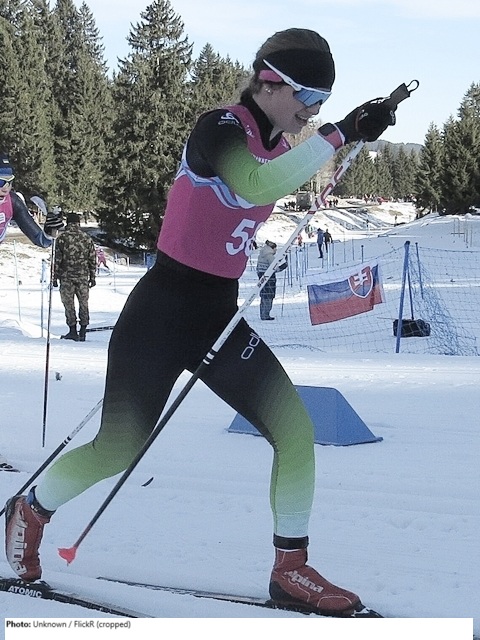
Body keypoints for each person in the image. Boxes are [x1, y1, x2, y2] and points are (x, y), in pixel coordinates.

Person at [4, 28, 396, 615]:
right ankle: (30, 511)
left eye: (324, 103)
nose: (314, 111)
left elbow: (282, 175)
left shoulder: (283, 147)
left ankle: (290, 568)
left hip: (216, 316)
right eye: (309, 97)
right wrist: (342, 133)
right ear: (269, 83)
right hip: (161, 311)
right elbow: (256, 183)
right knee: (116, 449)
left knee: (294, 429)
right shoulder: (220, 129)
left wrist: (350, 133)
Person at [0, 154, 63, 472]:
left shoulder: (12, 202)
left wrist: (51, 231)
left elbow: (40, 239)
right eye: (0, 182)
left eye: (9, 181)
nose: (5, 188)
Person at [53, 212, 96, 342]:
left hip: (66, 277)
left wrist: (54, 277)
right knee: (84, 303)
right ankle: (83, 331)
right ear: (78, 223)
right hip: (82, 277)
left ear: (68, 223)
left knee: (68, 304)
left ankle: (72, 330)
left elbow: (57, 260)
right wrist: (92, 276)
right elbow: (92, 259)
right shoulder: (86, 238)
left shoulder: (62, 238)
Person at [256, 240, 287, 320]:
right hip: (269, 278)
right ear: (272, 248)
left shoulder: (261, 254)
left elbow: (258, 267)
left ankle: (262, 313)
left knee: (263, 295)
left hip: (262, 276)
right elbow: (274, 268)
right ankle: (266, 315)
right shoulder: (269, 256)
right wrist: (283, 266)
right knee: (269, 296)